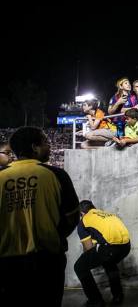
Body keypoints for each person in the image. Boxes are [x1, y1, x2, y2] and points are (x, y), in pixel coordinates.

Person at [0, 126, 80, 306]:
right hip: (47, 262)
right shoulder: (56, 175)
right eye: (45, 142)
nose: (49, 146)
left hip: (7, 265)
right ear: (34, 147)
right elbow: (72, 217)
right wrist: (55, 236)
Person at [74, 200, 131, 306]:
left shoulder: (83, 221)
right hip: (126, 247)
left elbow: (89, 248)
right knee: (109, 262)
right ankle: (118, 296)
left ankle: (96, 301)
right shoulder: (105, 214)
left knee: (79, 267)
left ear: (82, 213)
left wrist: (87, 260)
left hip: (110, 248)